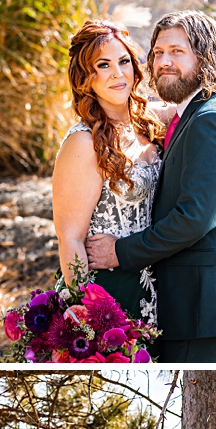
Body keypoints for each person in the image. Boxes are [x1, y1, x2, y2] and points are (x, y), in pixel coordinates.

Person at [83, 11, 216, 362]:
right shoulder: (194, 112)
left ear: (205, 57)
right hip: (190, 303)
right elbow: (130, 115)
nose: (164, 62)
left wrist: (120, 252)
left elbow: (193, 219)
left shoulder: (213, 120)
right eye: (158, 52)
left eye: (177, 52)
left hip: (201, 306)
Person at [52, 21, 165, 325]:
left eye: (124, 61)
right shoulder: (82, 143)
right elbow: (70, 239)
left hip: (157, 289)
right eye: (103, 65)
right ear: (86, 79)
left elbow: (190, 106)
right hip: (107, 294)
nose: (118, 73)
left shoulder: (149, 124)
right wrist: (89, 319)